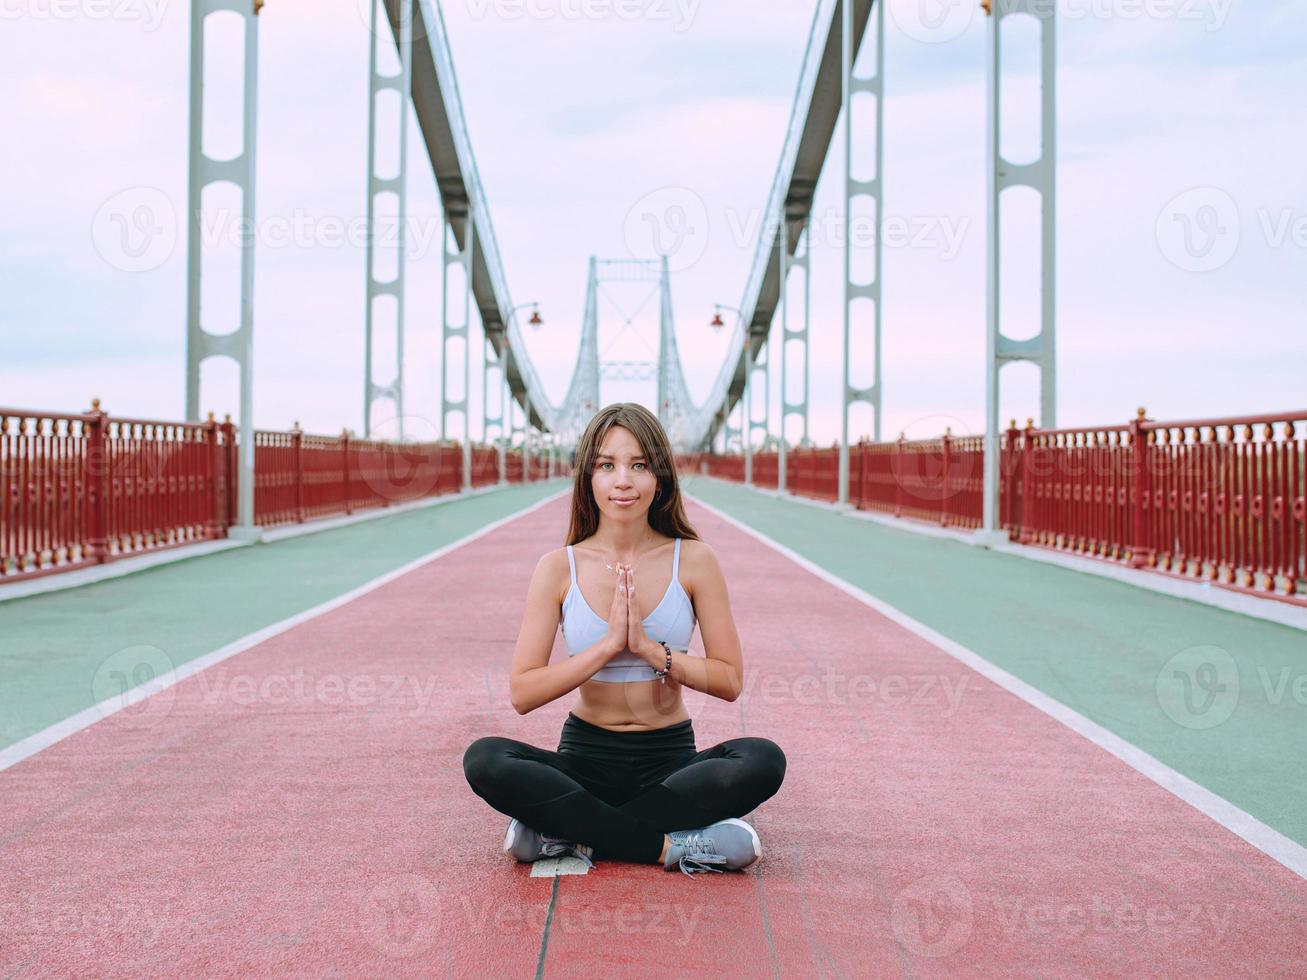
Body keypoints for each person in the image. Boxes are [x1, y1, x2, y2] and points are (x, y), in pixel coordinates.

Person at [462, 402, 786, 876]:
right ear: (588, 479)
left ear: (660, 479)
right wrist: (608, 647)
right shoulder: (558, 567)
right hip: (584, 761)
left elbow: (730, 679)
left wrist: (652, 651)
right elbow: (523, 692)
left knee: (762, 759)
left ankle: (568, 832)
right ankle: (669, 847)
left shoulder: (695, 560)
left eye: (639, 465)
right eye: (607, 465)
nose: (623, 481)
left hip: (670, 763)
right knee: (485, 759)